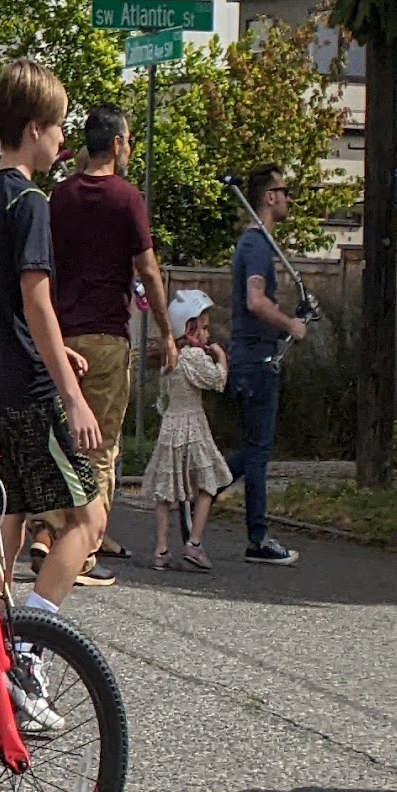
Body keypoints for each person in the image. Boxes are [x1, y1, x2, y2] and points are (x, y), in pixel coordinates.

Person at [0, 60, 102, 631]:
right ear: (32, 129)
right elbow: (35, 301)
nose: (63, 139)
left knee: (12, 519)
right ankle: (26, 648)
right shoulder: (31, 202)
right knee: (87, 520)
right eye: (58, 126)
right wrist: (71, 393)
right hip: (29, 388)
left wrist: (55, 350)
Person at [46, 105, 176, 585]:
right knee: (100, 448)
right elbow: (147, 270)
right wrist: (165, 331)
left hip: (60, 337)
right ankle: (81, 553)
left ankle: (50, 536)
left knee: (61, 442)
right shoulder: (128, 198)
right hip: (106, 336)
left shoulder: (58, 198)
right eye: (129, 141)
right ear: (118, 143)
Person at [226, 166, 305, 564]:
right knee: (257, 451)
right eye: (285, 190)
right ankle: (257, 538)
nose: (289, 198)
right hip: (257, 359)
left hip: (252, 356)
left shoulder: (256, 243)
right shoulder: (257, 244)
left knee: (253, 450)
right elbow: (255, 301)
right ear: (270, 196)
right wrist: (290, 323)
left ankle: (198, 490)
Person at [143, 291, 231, 569]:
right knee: (207, 483)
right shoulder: (194, 357)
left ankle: (161, 549)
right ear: (188, 329)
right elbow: (217, 381)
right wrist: (221, 357)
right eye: (203, 328)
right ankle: (194, 543)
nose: (207, 334)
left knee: (165, 491)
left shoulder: (171, 358)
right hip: (193, 425)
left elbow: (163, 398)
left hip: (170, 426)